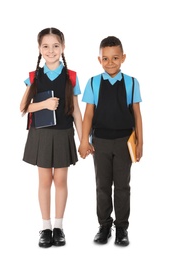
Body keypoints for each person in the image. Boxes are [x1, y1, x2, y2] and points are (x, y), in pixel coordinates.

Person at [20, 27, 82, 248]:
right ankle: (45, 227)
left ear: (63, 47)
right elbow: (24, 106)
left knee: (61, 181)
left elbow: (76, 111)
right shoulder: (34, 77)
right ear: (39, 49)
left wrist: (84, 139)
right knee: (45, 181)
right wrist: (44, 104)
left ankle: (59, 227)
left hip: (64, 133)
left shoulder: (71, 76)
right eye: (45, 46)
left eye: (56, 45)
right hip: (42, 134)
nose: (51, 50)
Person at [78, 36, 143, 246]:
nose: (110, 62)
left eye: (115, 57)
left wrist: (140, 142)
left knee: (123, 186)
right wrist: (83, 141)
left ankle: (122, 227)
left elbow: (137, 114)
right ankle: (104, 225)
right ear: (99, 60)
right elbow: (88, 115)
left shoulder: (132, 83)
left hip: (125, 141)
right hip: (100, 142)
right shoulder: (94, 82)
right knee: (102, 186)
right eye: (105, 58)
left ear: (123, 58)